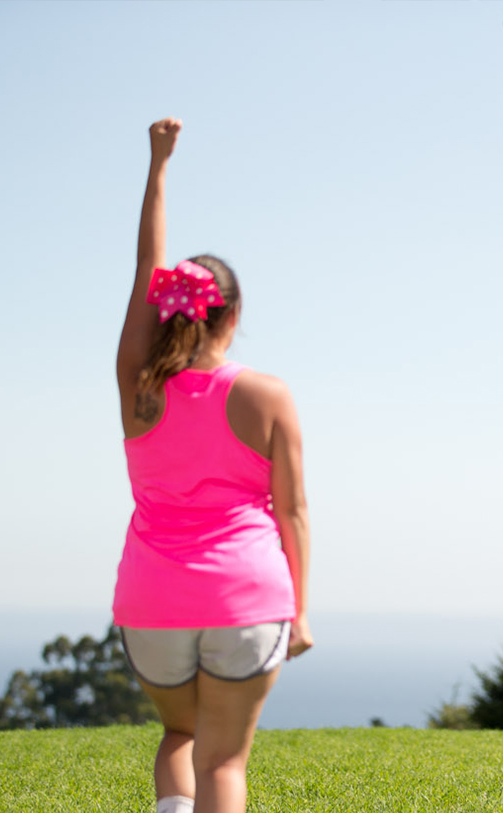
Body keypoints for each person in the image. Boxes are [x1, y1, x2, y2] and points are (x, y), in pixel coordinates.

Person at [112, 118, 314, 813]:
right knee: (224, 759)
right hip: (247, 598)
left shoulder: (138, 385)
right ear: (232, 317)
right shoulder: (268, 395)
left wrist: (158, 165)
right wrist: (302, 611)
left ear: (168, 310)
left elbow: (145, 265)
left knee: (179, 735)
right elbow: (293, 511)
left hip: (153, 597)